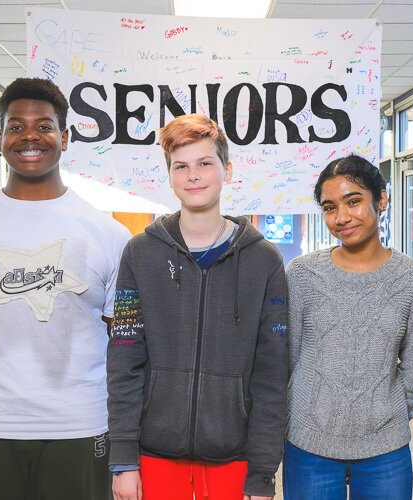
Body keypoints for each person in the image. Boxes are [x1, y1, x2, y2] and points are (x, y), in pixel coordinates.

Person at [0, 77, 131, 500]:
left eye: (44, 125)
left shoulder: (110, 234)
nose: (30, 135)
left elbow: (117, 337)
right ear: (0, 137)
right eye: (16, 126)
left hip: (78, 425)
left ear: (65, 138)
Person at [107, 113, 290, 500]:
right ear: (170, 176)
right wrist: (124, 460)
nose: (193, 175)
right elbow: (124, 360)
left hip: (234, 460)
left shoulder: (264, 260)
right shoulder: (139, 253)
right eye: (181, 166)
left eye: (205, 163)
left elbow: (272, 375)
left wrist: (262, 474)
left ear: (227, 169)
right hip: (153, 456)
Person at [281, 154, 413, 499]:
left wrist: (386, 417)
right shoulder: (302, 275)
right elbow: (286, 359)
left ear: (381, 199)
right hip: (308, 444)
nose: (342, 217)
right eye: (330, 207)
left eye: (354, 202)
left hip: (385, 448)